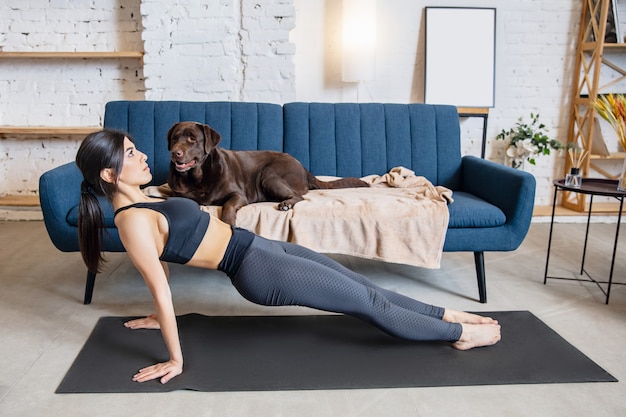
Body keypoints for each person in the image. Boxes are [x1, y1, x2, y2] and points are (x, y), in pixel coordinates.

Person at [76, 129, 501, 385]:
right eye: (130, 154)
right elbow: (159, 284)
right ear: (110, 174)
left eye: (136, 148)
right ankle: (457, 335)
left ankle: (446, 315)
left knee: (366, 287)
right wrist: (175, 357)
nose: (146, 155)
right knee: (366, 304)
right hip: (256, 269)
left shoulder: (145, 200)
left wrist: (152, 315)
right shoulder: (131, 220)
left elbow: (162, 258)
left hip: (261, 247)